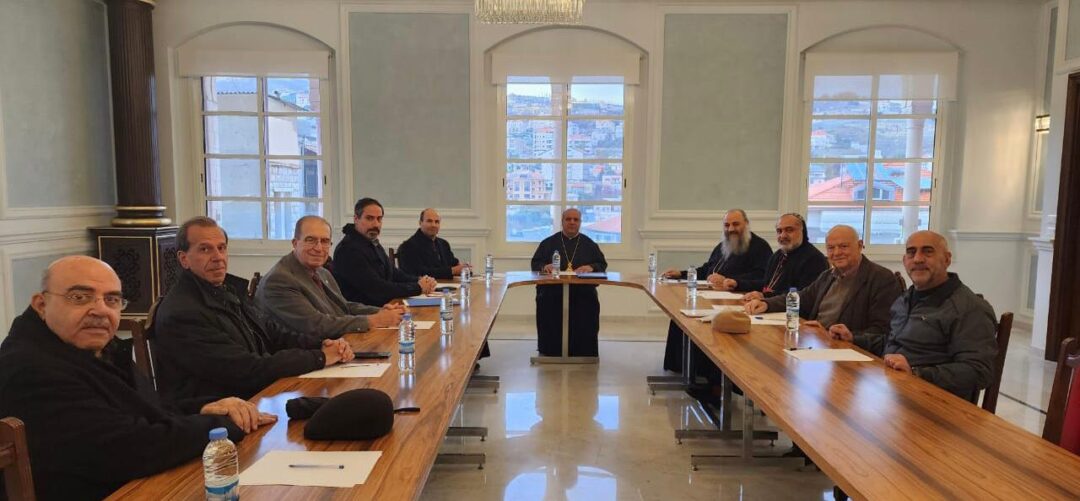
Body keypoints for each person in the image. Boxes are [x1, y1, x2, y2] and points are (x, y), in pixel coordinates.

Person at [0, 256, 274, 500]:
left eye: (111, 299)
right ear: (41, 304)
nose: (99, 310)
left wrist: (204, 408)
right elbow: (130, 448)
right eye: (80, 297)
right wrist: (222, 427)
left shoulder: (87, 344)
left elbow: (143, 408)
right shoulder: (29, 368)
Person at [153, 217, 355, 403]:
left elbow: (273, 333)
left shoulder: (225, 291)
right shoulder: (183, 312)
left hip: (255, 395)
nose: (218, 257)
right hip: (219, 412)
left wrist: (321, 344)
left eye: (221, 248)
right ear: (184, 259)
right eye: (205, 249)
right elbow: (247, 369)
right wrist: (319, 357)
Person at [861, 230, 998, 402]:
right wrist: (852, 337)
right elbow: (893, 341)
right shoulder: (905, 299)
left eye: (927, 252)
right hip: (893, 393)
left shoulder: (969, 308)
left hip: (935, 404)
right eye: (911, 253)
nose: (918, 259)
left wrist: (916, 373)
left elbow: (979, 370)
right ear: (904, 261)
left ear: (947, 259)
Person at [745, 225, 902, 343]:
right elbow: (801, 298)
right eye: (831, 248)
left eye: (843, 246)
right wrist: (766, 304)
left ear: (860, 246)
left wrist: (841, 334)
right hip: (817, 342)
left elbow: (883, 331)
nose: (837, 253)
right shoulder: (828, 276)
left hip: (849, 354)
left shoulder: (882, 279)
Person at [662, 209, 772, 372]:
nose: (731, 229)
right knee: (682, 315)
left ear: (746, 224)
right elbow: (708, 269)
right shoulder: (723, 245)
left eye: (736, 224)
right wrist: (682, 273)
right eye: (727, 225)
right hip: (713, 298)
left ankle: (704, 373)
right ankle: (683, 368)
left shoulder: (760, 247)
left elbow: (763, 277)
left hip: (738, 303)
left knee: (700, 321)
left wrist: (733, 281)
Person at [257, 215, 403, 339]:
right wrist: (373, 320)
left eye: (325, 241)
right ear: (295, 243)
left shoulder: (322, 271)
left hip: (335, 345)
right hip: (304, 355)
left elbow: (343, 307)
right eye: (311, 240)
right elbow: (315, 325)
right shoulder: (279, 280)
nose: (319, 248)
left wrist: (380, 311)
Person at [530, 209, 608, 357]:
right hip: (553, 292)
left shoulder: (589, 244)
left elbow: (602, 264)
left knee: (586, 311)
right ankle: (551, 351)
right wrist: (545, 267)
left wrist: (591, 267)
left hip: (582, 293)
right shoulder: (548, 243)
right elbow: (535, 263)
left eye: (575, 220)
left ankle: (583, 351)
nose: (572, 222)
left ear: (580, 223)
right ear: (562, 221)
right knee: (548, 307)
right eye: (568, 219)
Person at [333, 197, 438, 306]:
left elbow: (394, 273)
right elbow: (377, 288)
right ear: (356, 219)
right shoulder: (348, 250)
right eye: (369, 218)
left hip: (385, 306)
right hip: (366, 312)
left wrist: (420, 280)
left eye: (379, 219)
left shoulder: (371, 242)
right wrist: (418, 287)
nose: (375, 224)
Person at [734, 213, 828, 297]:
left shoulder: (814, 259)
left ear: (802, 231)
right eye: (779, 231)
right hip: (770, 306)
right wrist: (737, 284)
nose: (783, 235)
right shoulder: (778, 255)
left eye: (789, 230)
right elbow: (768, 285)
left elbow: (803, 295)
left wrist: (765, 296)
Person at [397, 208, 469, 279]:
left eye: (437, 222)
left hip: (447, 285)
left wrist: (463, 268)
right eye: (429, 221)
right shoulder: (408, 246)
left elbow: (453, 263)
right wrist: (452, 271)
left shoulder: (443, 244)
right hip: (422, 286)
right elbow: (418, 272)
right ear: (420, 223)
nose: (433, 225)